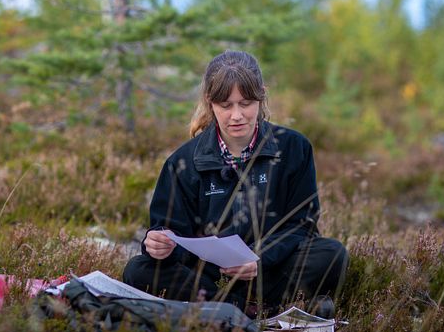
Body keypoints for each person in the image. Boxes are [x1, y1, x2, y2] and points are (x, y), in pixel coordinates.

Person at [122, 50, 348, 317]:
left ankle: (228, 309)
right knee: (138, 270)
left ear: (261, 95)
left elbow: (302, 224)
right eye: (226, 105)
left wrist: (258, 259)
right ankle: (252, 309)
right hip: (208, 278)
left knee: (332, 254)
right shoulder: (182, 162)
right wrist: (157, 246)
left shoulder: (294, 148)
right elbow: (170, 232)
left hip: (270, 271)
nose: (237, 115)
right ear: (210, 102)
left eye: (246, 103)